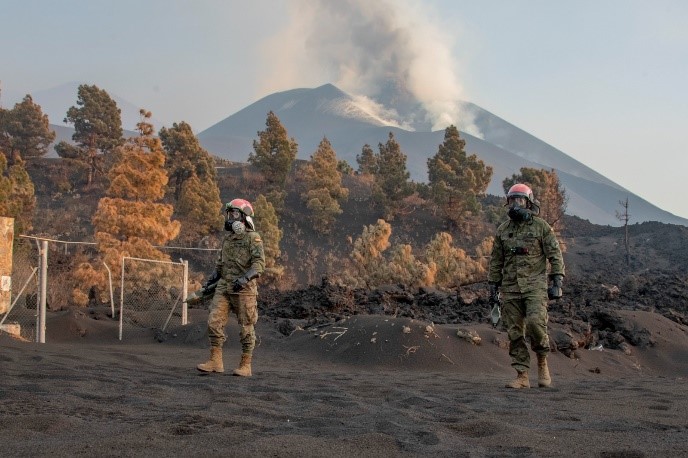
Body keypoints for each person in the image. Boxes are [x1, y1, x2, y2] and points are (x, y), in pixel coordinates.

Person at [488, 183, 565, 389]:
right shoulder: (503, 230)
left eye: (520, 200)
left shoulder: (541, 227)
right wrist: (493, 287)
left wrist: (557, 281)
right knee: (514, 331)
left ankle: (542, 363)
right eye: (512, 200)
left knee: (535, 324)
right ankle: (522, 375)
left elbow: (555, 255)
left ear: (529, 203)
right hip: (510, 288)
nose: (516, 205)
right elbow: (496, 261)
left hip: (535, 287)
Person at [196, 198, 265, 376]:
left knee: (246, 327)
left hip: (244, 289)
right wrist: (211, 281)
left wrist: (244, 279)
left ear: (244, 217)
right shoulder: (228, 240)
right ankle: (215, 361)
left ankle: (245, 365)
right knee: (214, 321)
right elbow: (220, 266)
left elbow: (259, 265)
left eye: (234, 214)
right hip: (224, 286)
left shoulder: (253, 238)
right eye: (229, 214)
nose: (230, 218)